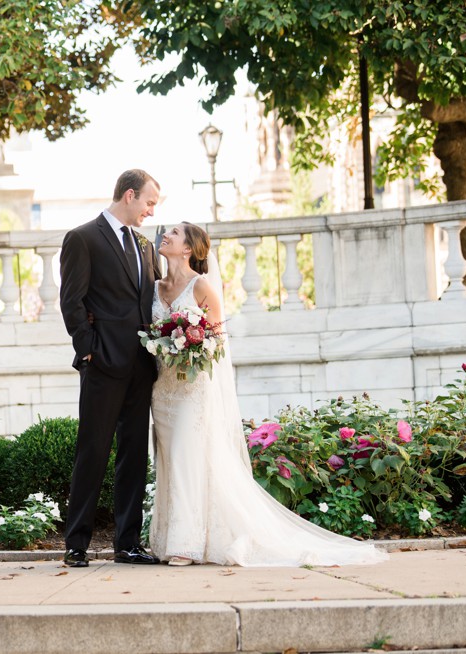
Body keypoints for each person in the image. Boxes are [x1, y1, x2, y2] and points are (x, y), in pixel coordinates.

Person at [148, 222, 388, 567]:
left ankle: (186, 544)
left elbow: (217, 344)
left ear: (187, 249)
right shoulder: (154, 287)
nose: (166, 235)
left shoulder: (202, 288)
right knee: (170, 462)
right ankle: (169, 537)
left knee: (188, 458)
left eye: (174, 233)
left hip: (192, 391)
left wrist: (188, 347)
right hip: (163, 391)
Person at [58, 169, 163, 567]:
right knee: (93, 452)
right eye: (149, 203)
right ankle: (76, 545)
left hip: (141, 364)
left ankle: (127, 543)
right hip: (102, 364)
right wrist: (88, 351)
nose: (151, 212)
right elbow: (72, 300)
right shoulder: (82, 238)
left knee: (134, 457)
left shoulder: (144, 245)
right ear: (130, 195)